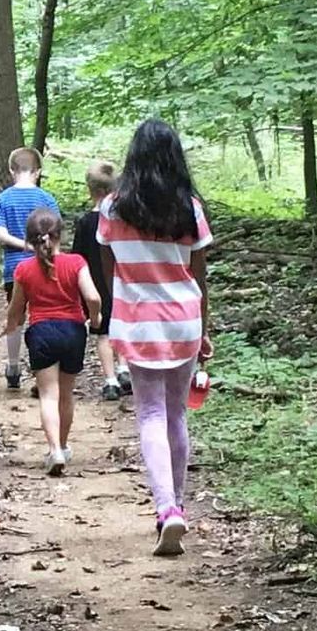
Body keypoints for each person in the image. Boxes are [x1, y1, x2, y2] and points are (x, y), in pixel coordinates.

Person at [96, 119, 212, 557]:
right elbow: (199, 274)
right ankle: (177, 504)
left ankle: (166, 509)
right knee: (176, 415)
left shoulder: (113, 208)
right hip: (183, 320)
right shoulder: (190, 209)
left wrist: (117, 309)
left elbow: (111, 269)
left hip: (138, 321)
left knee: (149, 414)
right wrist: (206, 328)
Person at [4, 208, 101, 476]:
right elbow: (92, 297)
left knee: (48, 395)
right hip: (72, 331)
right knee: (66, 395)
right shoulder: (77, 262)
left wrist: (10, 325)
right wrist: (95, 318)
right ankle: (65, 444)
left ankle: (54, 448)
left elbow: (16, 309)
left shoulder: (23, 270)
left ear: (30, 240)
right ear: (60, 234)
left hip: (42, 332)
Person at [0, 147, 61, 390]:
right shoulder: (46, 198)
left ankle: (13, 367)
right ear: (38, 171)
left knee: (15, 316)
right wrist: (38, 248)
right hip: (43, 266)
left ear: (12, 171)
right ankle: (41, 369)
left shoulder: (3, 199)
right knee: (41, 316)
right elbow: (55, 234)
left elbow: (1, 234)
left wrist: (23, 245)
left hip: (14, 267)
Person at [71, 159, 132, 402]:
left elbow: (78, 257)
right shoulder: (123, 219)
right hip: (122, 280)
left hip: (95, 284)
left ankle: (110, 381)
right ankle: (124, 368)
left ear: (90, 190)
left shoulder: (86, 222)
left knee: (103, 333)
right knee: (122, 325)